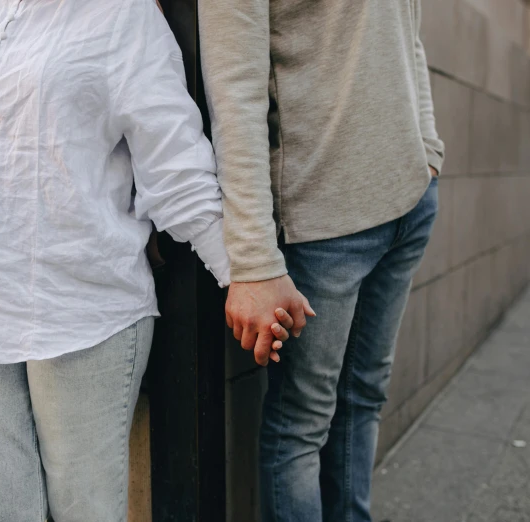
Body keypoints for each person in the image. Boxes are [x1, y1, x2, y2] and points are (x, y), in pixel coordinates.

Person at [0, 1, 288, 520]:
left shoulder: (119, 13)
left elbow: (175, 168)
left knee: (84, 511)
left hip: (81, 293)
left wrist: (246, 274)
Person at [199, 0, 445, 520]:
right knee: (301, 426)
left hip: (408, 199)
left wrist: (427, 148)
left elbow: (410, 31)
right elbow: (234, 94)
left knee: (364, 398)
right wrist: (254, 262)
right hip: (322, 227)